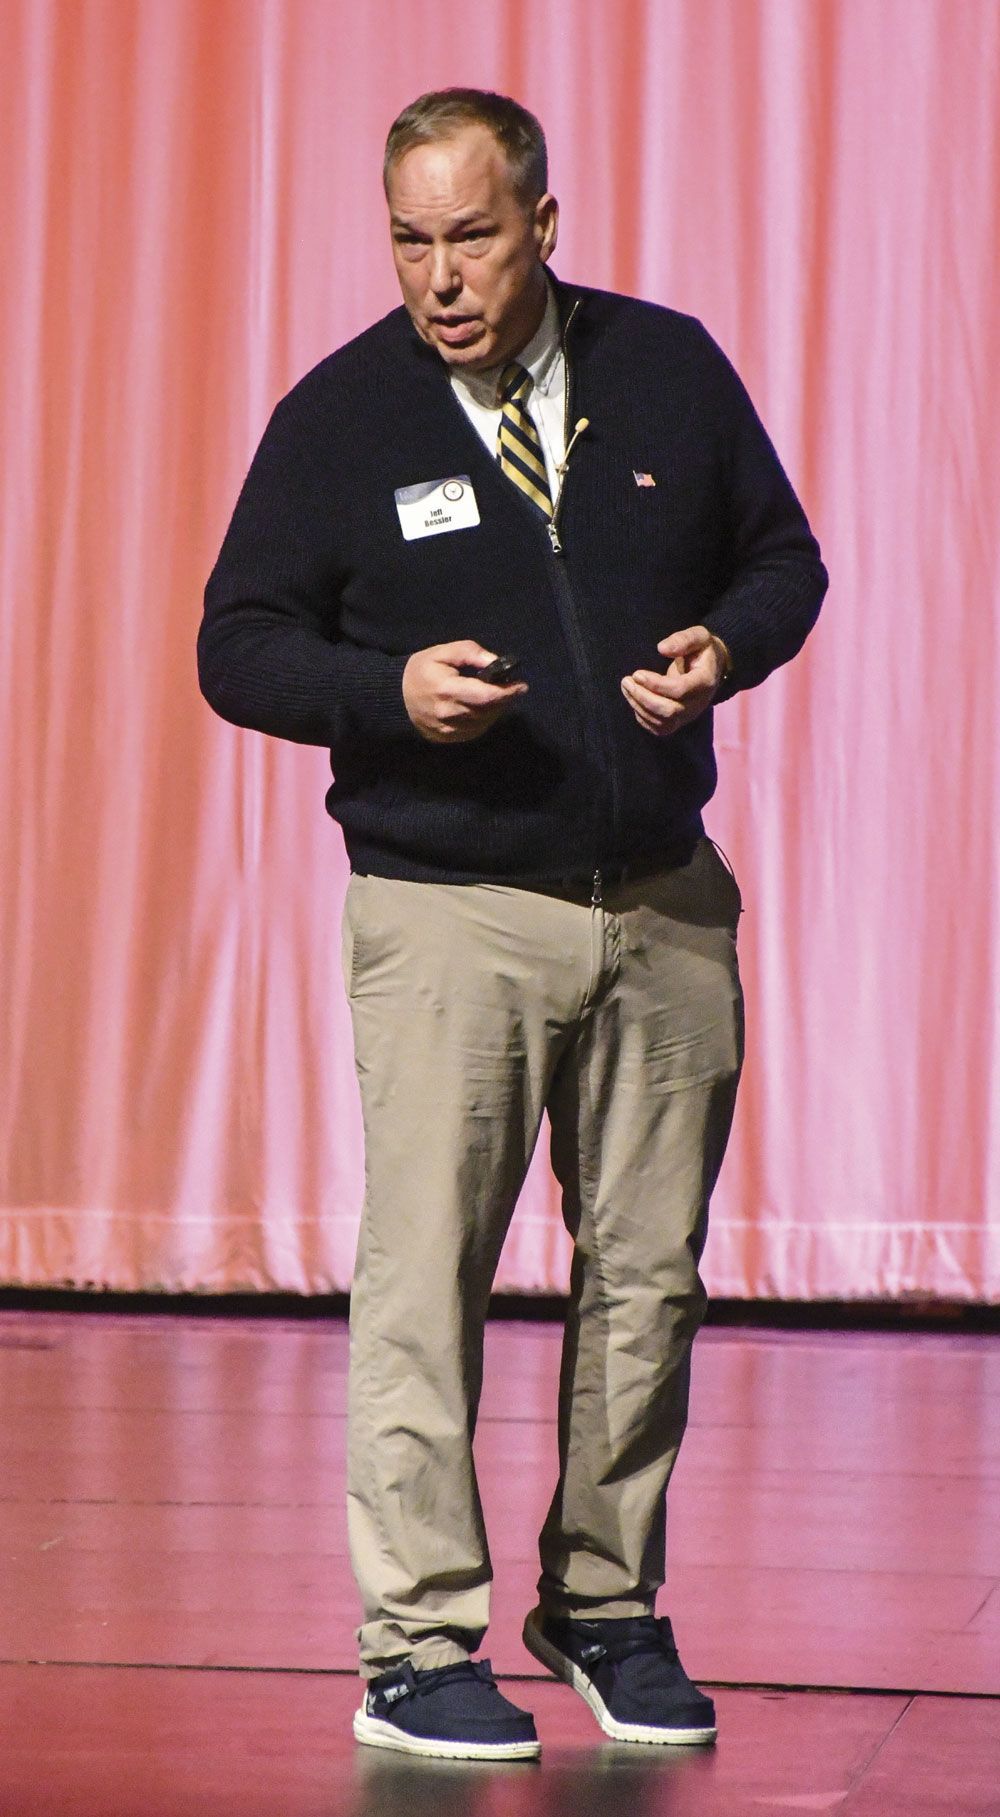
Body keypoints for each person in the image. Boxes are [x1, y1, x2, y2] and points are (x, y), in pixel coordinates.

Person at [198, 87, 827, 1762]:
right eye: (410, 241)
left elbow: (786, 563)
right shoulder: (340, 418)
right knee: (429, 1282)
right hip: (450, 914)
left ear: (545, 224)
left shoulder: (670, 368)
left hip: (664, 907)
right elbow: (237, 645)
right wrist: (385, 694)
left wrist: (721, 650)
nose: (440, 276)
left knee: (649, 1281)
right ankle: (415, 1642)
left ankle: (605, 1604)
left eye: (471, 235)